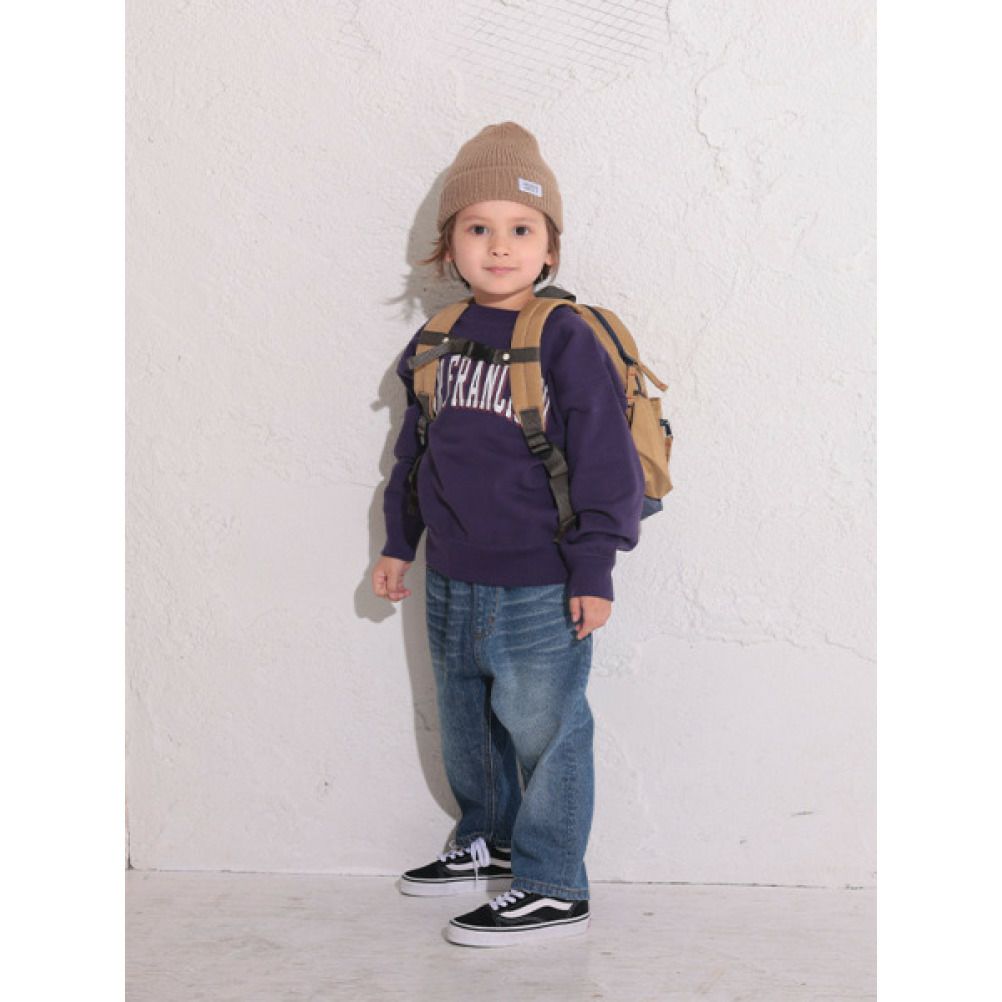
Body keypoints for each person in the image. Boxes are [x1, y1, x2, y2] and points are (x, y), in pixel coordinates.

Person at [371, 121, 645, 947]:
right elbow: (414, 452)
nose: (499, 246)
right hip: (452, 575)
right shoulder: (438, 336)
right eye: (478, 228)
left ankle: (554, 883)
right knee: (468, 724)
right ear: (448, 247)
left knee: (546, 729)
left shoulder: (566, 337)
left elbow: (605, 464)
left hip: (539, 582)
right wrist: (398, 542)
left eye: (522, 229)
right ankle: (487, 842)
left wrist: (593, 569)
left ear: (550, 247)